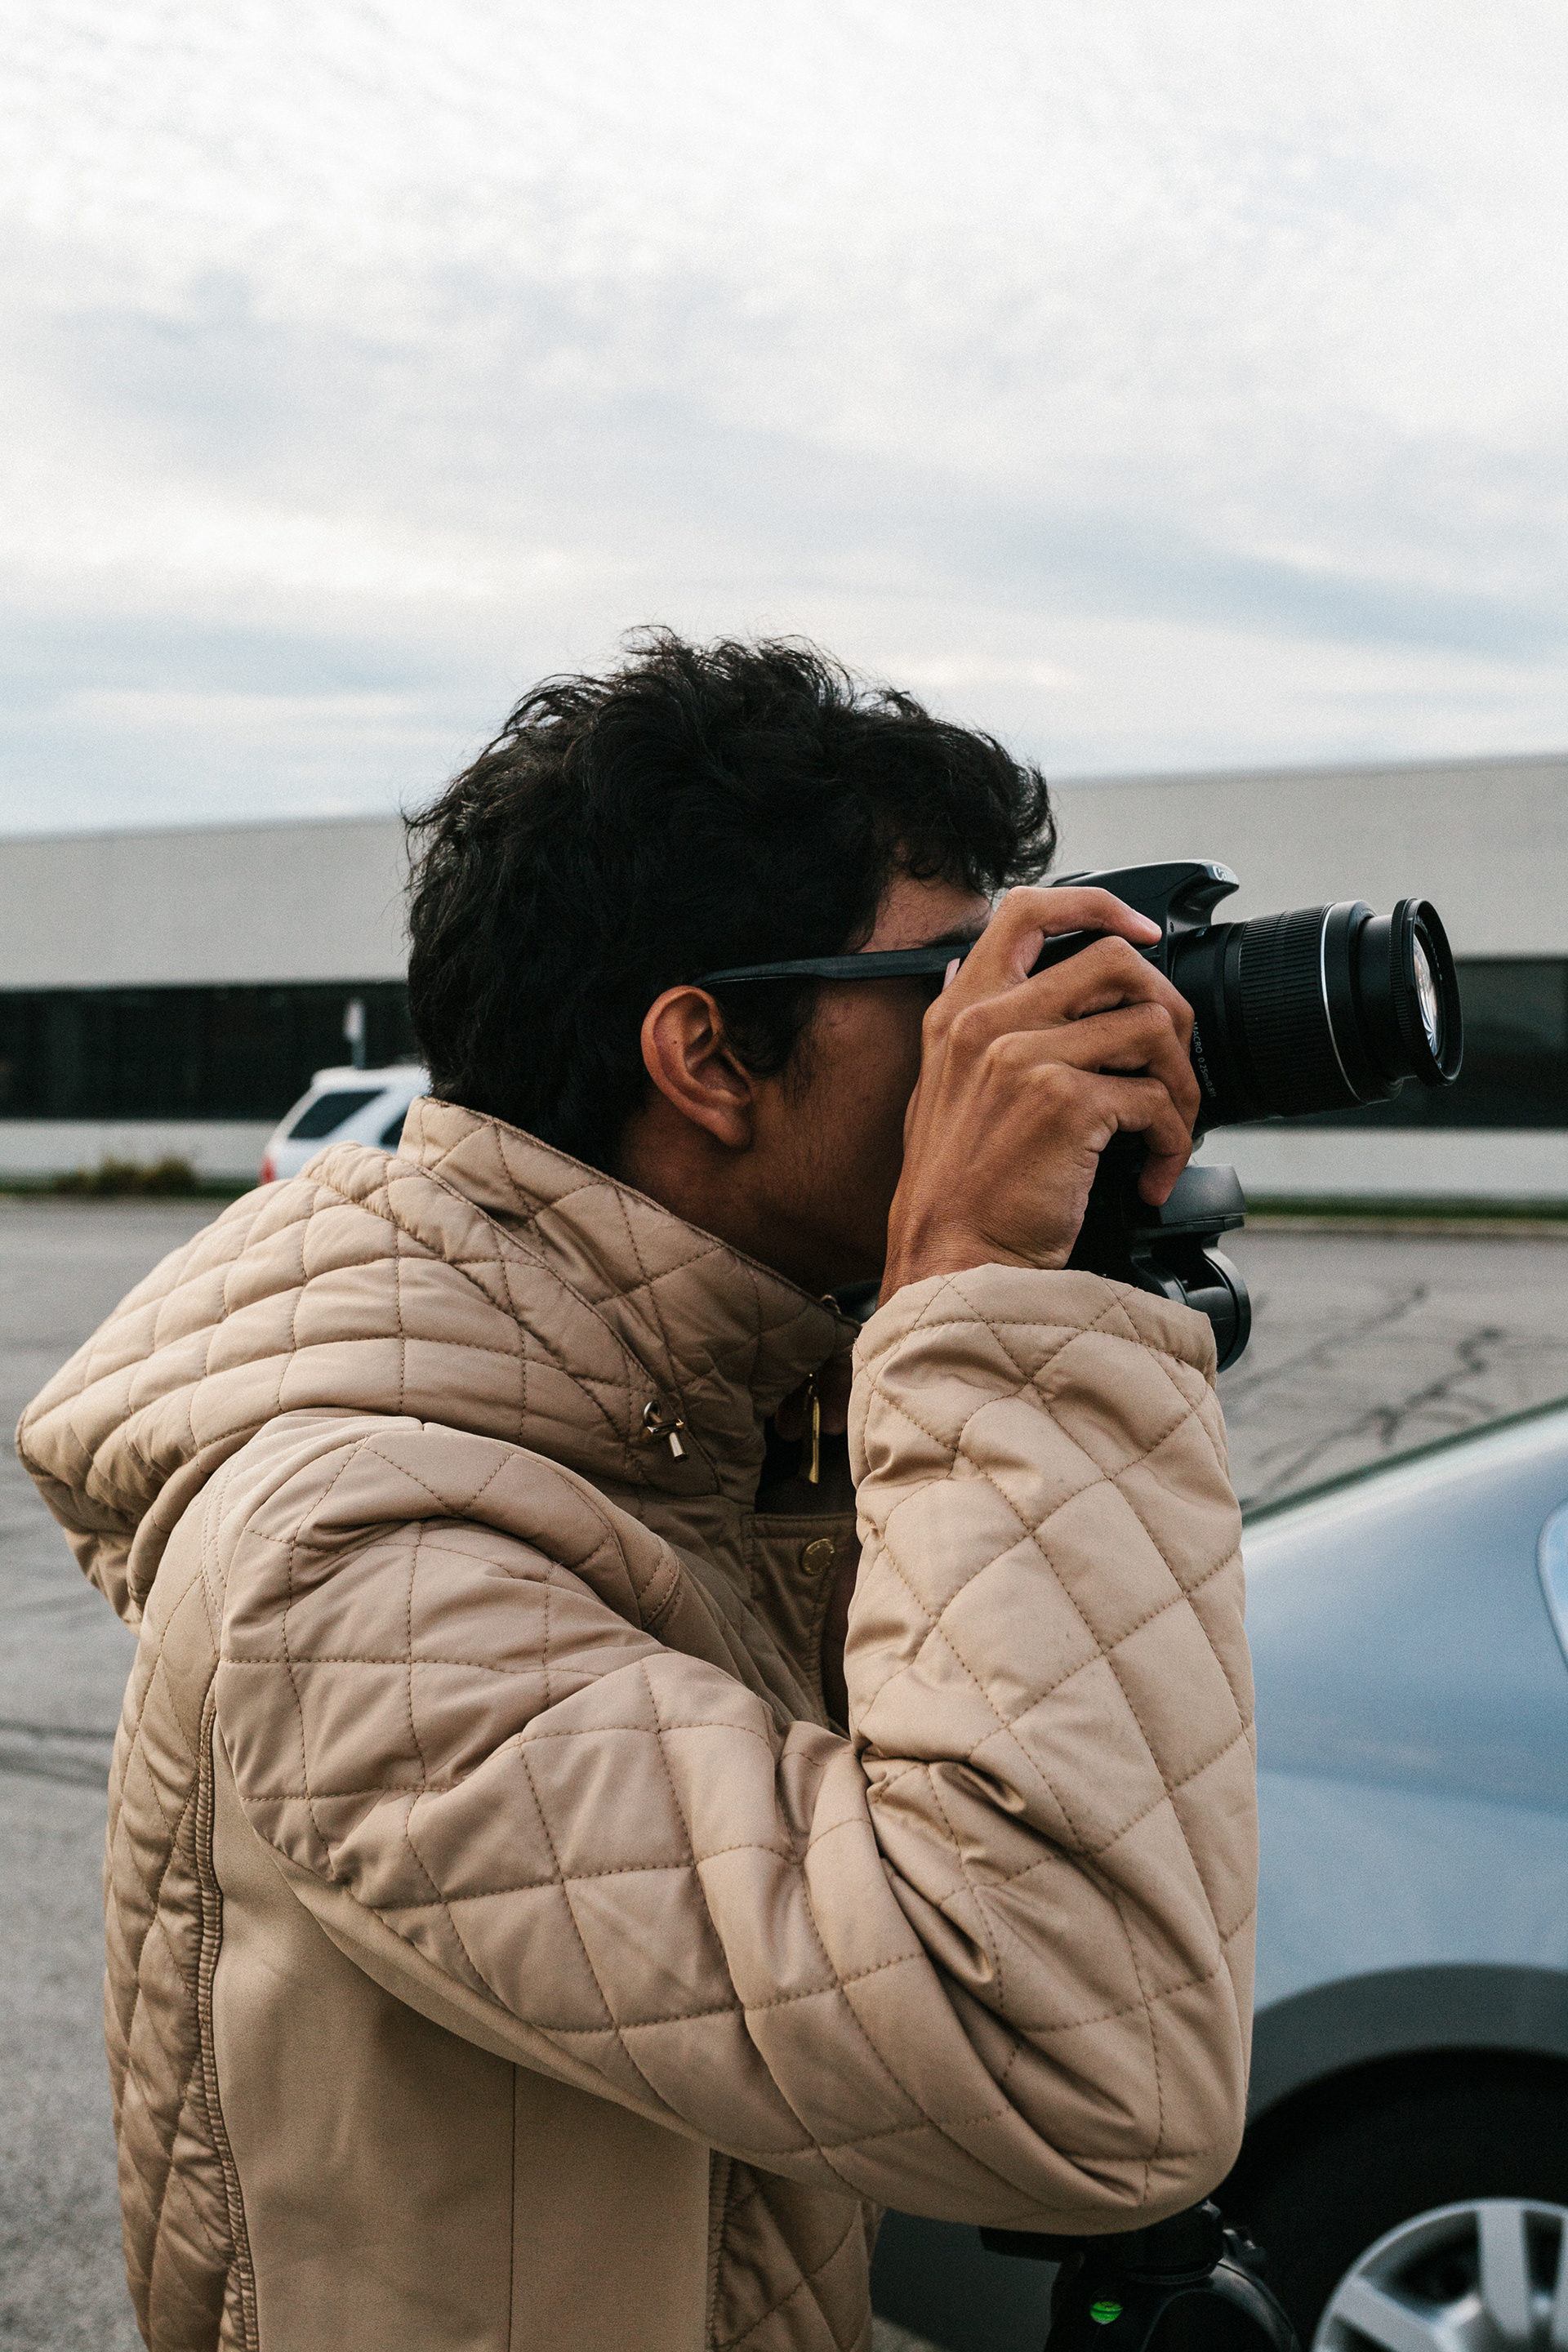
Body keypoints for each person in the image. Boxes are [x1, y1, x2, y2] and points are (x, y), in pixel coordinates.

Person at [19, 635, 1256, 2352]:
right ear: (708, 1058)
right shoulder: (355, 1561)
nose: (1013, 1034)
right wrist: (987, 1309)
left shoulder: (726, 1416)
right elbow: (1076, 2064)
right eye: (954, 984)